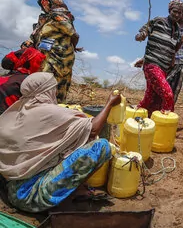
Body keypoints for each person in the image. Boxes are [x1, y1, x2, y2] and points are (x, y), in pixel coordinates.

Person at [0, 72, 121, 213]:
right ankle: (69, 194)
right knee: (101, 147)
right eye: (54, 88)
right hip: (30, 197)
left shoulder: (15, 111)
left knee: (66, 145)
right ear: (47, 90)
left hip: (12, 188)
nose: (56, 91)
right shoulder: (48, 112)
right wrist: (110, 103)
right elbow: (93, 129)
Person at [135, 0, 183, 104]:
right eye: (176, 11)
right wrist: (144, 59)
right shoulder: (162, 23)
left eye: (182, 12)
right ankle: (154, 113)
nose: (179, 14)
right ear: (170, 11)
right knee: (158, 91)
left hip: (180, 63)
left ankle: (166, 114)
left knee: (173, 93)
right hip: (164, 64)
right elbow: (157, 46)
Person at [21, 0, 82, 103]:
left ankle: (54, 112)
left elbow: (73, 34)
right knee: (42, 85)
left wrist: (74, 46)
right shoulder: (45, 19)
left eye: (44, 4)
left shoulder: (59, 16)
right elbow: (35, 36)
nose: (43, 7)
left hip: (58, 59)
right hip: (45, 58)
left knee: (55, 86)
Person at [0, 47, 46, 115]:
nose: (42, 67)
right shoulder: (29, 81)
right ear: (31, 63)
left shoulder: (8, 76)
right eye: (40, 62)